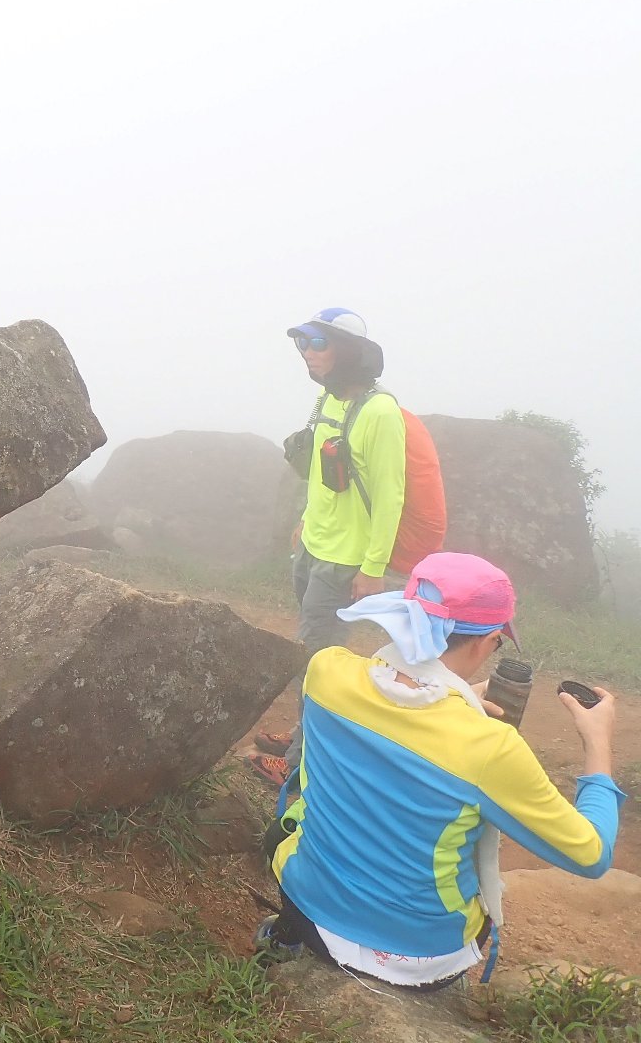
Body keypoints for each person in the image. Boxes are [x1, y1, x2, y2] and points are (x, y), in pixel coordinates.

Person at [257, 552, 625, 991]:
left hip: (308, 904)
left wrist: (451, 694)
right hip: (418, 954)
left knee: (290, 826)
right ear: (487, 641)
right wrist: (598, 743)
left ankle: (285, 937)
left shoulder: (326, 671)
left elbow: (388, 704)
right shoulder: (489, 747)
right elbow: (591, 855)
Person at [250, 307, 405, 785]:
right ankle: (302, 735)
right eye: (302, 343)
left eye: (318, 342)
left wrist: (373, 566)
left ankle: (300, 766)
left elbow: (390, 495)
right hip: (313, 547)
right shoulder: (328, 401)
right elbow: (324, 474)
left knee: (318, 662)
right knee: (312, 652)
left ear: (350, 350)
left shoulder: (380, 412)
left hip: (344, 561)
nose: (307, 353)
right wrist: (305, 520)